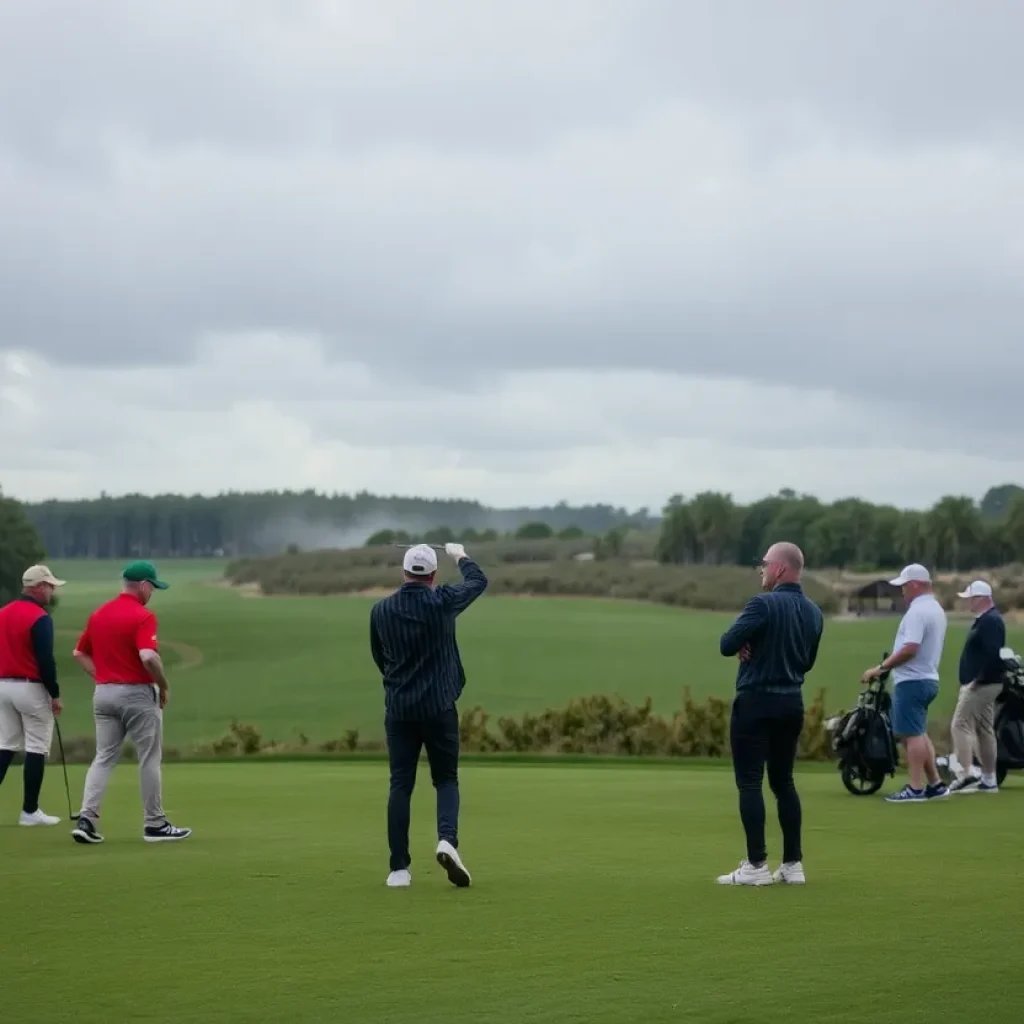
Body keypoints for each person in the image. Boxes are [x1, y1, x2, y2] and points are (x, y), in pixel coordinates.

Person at [370, 541, 487, 888]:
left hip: (400, 709)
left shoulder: (380, 610)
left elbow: (381, 658)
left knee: (401, 785)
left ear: (404, 572)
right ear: (433, 575)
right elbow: (477, 582)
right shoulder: (442, 602)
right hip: (439, 708)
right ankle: (447, 840)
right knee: (446, 779)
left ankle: (398, 870)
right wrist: (460, 555)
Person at [716, 542, 824, 886]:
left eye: (764, 564)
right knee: (784, 782)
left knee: (750, 782)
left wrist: (749, 645)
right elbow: (806, 661)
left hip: (756, 701)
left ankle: (756, 865)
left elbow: (726, 644)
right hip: (791, 702)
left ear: (779, 569)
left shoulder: (761, 605)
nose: (761, 570)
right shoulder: (814, 613)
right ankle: (793, 865)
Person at [69, 560, 191, 845]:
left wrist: (103, 677)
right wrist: (163, 684)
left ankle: (87, 820)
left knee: (103, 757)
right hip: (136, 694)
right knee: (148, 757)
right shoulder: (142, 616)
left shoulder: (99, 614)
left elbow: (78, 653)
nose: (153, 593)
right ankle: (155, 824)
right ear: (144, 585)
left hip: (104, 694)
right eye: (153, 588)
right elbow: (148, 656)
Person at [861, 563, 949, 802]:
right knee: (919, 732)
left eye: (904, 586)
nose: (902, 592)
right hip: (928, 678)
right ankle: (936, 784)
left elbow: (910, 648)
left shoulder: (917, 612)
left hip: (913, 680)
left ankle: (916, 788)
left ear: (915, 584)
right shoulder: (936, 609)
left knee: (911, 735)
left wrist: (881, 668)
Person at [0, 565, 66, 826]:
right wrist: (55, 693)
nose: (51, 591)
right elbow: (45, 660)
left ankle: (30, 811)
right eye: (49, 586)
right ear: (38, 587)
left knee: (5, 745)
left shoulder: (2, 613)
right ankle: (29, 812)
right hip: (30, 687)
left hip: (3, 686)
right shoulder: (40, 617)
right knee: (37, 747)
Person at [948, 580, 1005, 794]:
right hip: (988, 683)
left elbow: (993, 654)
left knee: (959, 724)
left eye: (970, 599)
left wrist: (976, 680)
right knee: (983, 729)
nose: (968, 603)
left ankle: (967, 773)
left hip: (982, 684)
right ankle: (989, 779)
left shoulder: (989, 621)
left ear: (981, 599)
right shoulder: (987, 619)